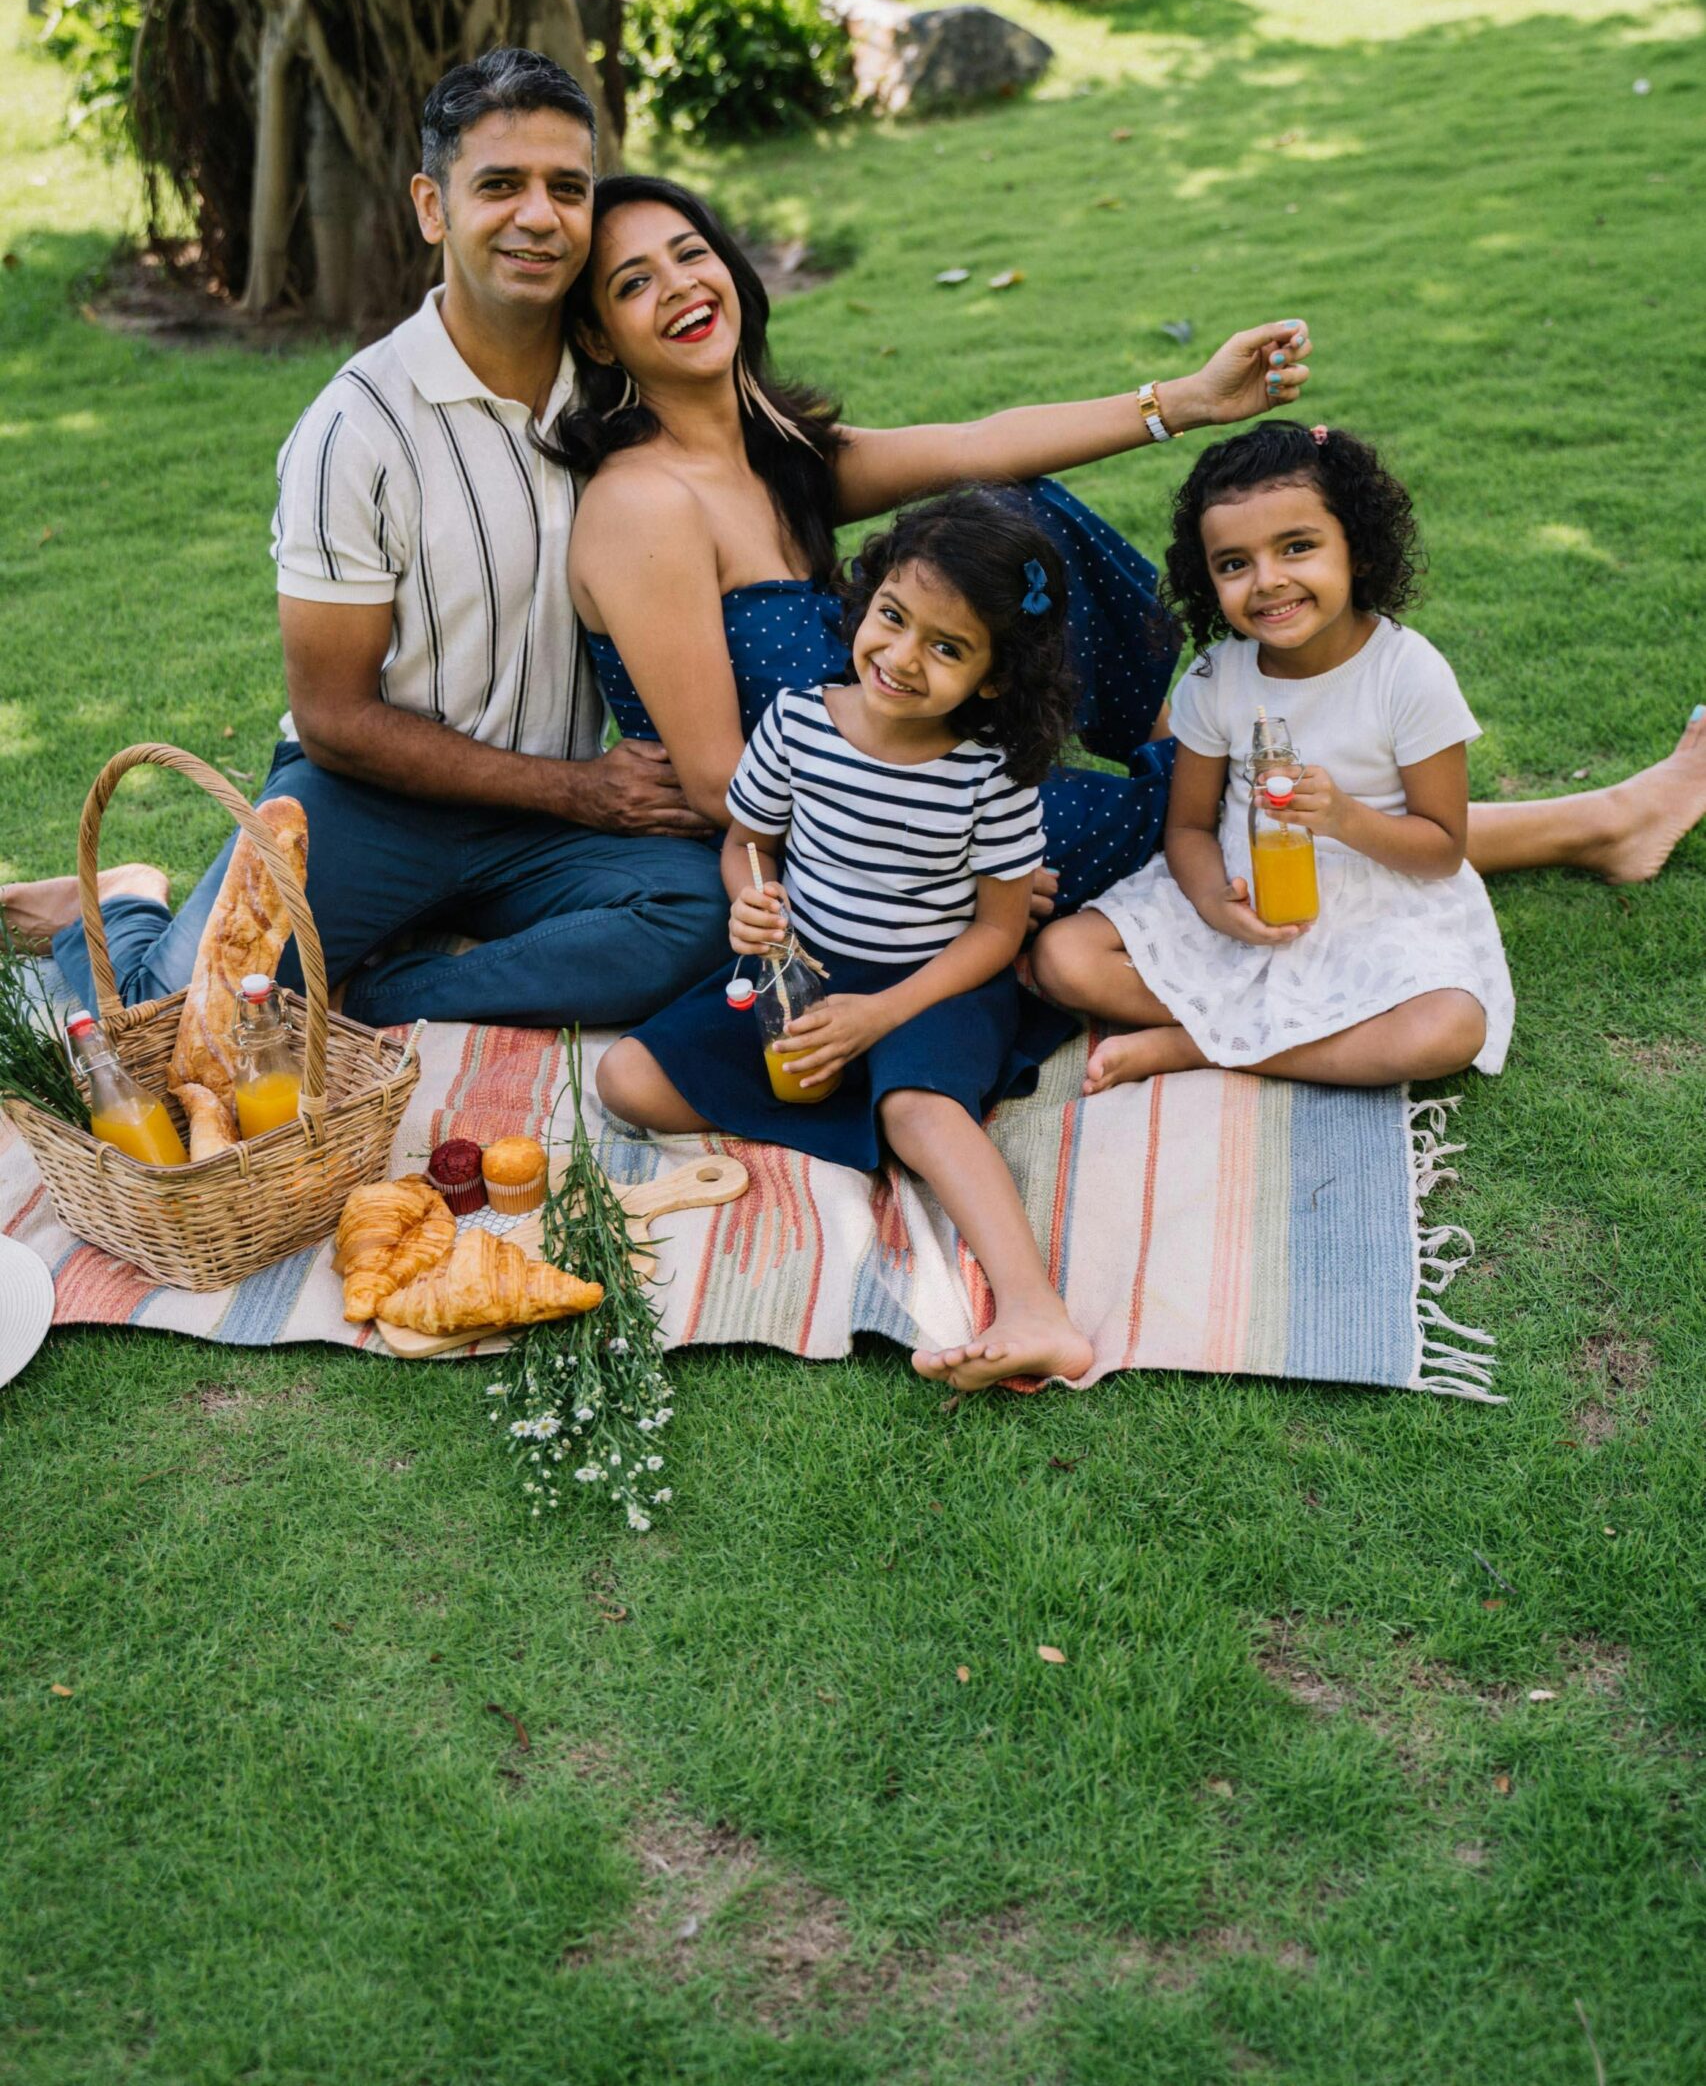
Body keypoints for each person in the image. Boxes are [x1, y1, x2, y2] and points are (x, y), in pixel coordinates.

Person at [556, 173, 1706, 920]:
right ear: (599, 339)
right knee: (1191, 830)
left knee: (1015, 507)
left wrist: (1187, 400)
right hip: (857, 830)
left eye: (689, 253)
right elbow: (719, 783)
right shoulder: (644, 503)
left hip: (916, 743)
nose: (679, 288)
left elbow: (979, 441)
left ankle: (1183, 735)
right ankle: (1593, 823)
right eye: (631, 283)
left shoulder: (771, 452)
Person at [16, 51, 729, 1028]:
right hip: (364, 805)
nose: (538, 215)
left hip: (537, 828)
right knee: (177, 1029)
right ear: (433, 207)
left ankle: (382, 991)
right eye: (499, 186)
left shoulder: (611, 380)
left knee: (705, 911)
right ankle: (123, 903)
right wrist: (584, 789)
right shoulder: (355, 429)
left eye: (567, 187)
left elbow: (780, 461)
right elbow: (332, 720)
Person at [597, 490, 1094, 1392]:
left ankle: (1036, 1309)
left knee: (919, 1111)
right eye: (893, 618)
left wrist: (884, 1016)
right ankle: (873, 1110)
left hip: (935, 983)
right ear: (866, 603)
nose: (902, 658)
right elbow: (747, 845)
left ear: (992, 677)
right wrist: (753, 901)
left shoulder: (990, 775)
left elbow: (996, 931)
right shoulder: (797, 722)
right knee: (626, 1081)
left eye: (947, 648)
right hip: (803, 974)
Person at [1031, 422, 1516, 1089]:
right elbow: (1189, 827)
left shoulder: (1407, 673)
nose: (1268, 581)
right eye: (1234, 563)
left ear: (1359, 549)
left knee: (1449, 1028)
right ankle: (1259, 1030)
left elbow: (1441, 848)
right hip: (1244, 884)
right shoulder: (1216, 677)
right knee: (1064, 958)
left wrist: (1343, 818)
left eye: (1297, 547)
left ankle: (1198, 1046)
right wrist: (1211, 902)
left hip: (1374, 901)